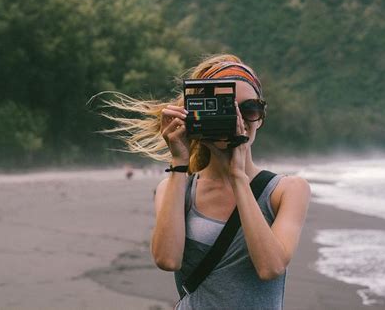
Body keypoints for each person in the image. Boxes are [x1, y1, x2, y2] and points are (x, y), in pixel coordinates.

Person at [95, 54, 311, 309]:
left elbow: (270, 267)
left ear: (260, 118)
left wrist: (238, 178)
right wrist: (179, 161)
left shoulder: (287, 190)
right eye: (225, 108)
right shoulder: (176, 188)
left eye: (249, 109)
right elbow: (167, 259)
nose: (237, 120)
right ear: (197, 113)